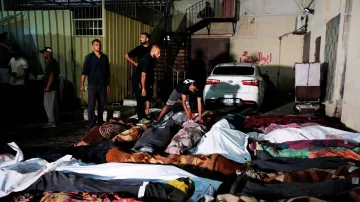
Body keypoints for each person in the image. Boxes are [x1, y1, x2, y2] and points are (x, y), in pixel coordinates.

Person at [81, 39, 110, 129]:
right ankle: (91, 124)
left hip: (102, 85)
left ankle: (100, 122)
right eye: (96, 45)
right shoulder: (89, 57)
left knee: (101, 105)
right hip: (92, 85)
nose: (99, 46)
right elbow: (84, 72)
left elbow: (107, 72)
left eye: (100, 45)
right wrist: (82, 84)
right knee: (91, 105)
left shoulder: (105, 57)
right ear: (93, 46)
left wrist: (108, 85)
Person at [125, 32, 152, 117]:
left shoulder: (151, 49)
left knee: (149, 93)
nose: (140, 39)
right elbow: (126, 55)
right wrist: (134, 63)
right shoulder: (139, 48)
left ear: (147, 39)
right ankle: (140, 115)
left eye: (142, 37)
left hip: (149, 73)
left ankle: (147, 110)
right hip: (139, 74)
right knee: (140, 95)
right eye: (140, 37)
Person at [136, 45, 161, 124]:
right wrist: (143, 88)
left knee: (147, 98)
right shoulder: (146, 60)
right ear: (153, 52)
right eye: (158, 53)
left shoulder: (152, 59)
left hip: (148, 82)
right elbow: (143, 76)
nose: (159, 55)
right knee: (141, 101)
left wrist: (150, 84)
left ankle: (144, 115)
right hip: (141, 83)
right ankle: (141, 117)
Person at [40, 47, 60, 128]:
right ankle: (53, 121)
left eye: (44, 52)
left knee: (48, 105)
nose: (43, 54)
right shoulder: (51, 62)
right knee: (50, 104)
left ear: (48, 52)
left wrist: (48, 87)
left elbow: (51, 75)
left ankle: (51, 122)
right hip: (51, 87)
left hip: (51, 88)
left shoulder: (52, 62)